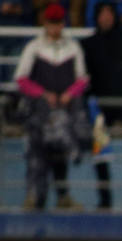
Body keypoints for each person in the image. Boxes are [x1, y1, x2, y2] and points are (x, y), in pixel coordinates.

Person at [15, 4, 90, 209]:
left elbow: (83, 79)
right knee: (36, 156)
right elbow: (21, 79)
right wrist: (43, 94)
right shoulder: (34, 47)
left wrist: (69, 94)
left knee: (60, 156)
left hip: (63, 114)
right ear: (45, 23)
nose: (55, 27)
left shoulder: (72, 47)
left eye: (58, 22)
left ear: (63, 23)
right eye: (51, 22)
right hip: (39, 114)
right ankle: (33, 197)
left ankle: (63, 197)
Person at [82, 2, 122, 209]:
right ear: (97, 17)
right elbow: (84, 74)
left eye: (109, 13)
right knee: (100, 149)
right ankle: (105, 198)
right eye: (102, 13)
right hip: (100, 106)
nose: (106, 17)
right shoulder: (89, 44)